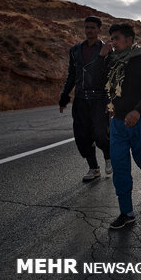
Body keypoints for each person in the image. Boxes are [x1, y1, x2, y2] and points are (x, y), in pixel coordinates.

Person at [98, 23, 141, 229]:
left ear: (129, 40)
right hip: (118, 124)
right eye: (111, 38)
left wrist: (137, 111)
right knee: (120, 168)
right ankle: (126, 212)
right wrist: (101, 57)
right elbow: (98, 80)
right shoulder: (111, 60)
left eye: (116, 38)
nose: (112, 42)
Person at [59, 16, 112, 181]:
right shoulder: (75, 50)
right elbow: (72, 75)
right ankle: (93, 168)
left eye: (93, 28)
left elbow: (112, 77)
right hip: (81, 99)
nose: (89, 30)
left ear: (99, 30)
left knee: (101, 134)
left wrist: (112, 101)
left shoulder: (107, 50)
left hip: (100, 98)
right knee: (82, 136)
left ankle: (108, 156)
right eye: (87, 27)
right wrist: (64, 95)